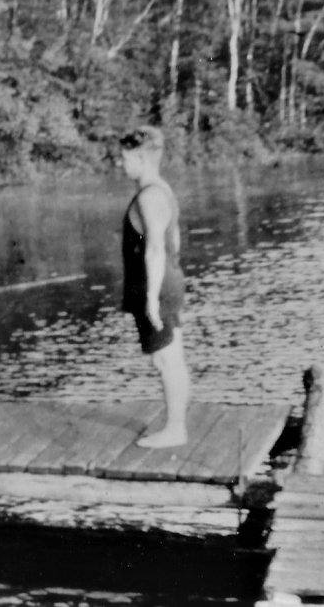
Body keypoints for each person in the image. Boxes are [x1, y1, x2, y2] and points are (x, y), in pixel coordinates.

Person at [120, 125, 190, 449]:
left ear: (142, 157)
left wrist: (150, 298)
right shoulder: (163, 189)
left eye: (124, 158)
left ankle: (175, 429)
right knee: (173, 356)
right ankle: (177, 424)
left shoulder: (149, 196)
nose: (120, 165)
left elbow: (156, 248)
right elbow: (174, 239)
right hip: (170, 280)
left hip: (157, 286)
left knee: (164, 360)